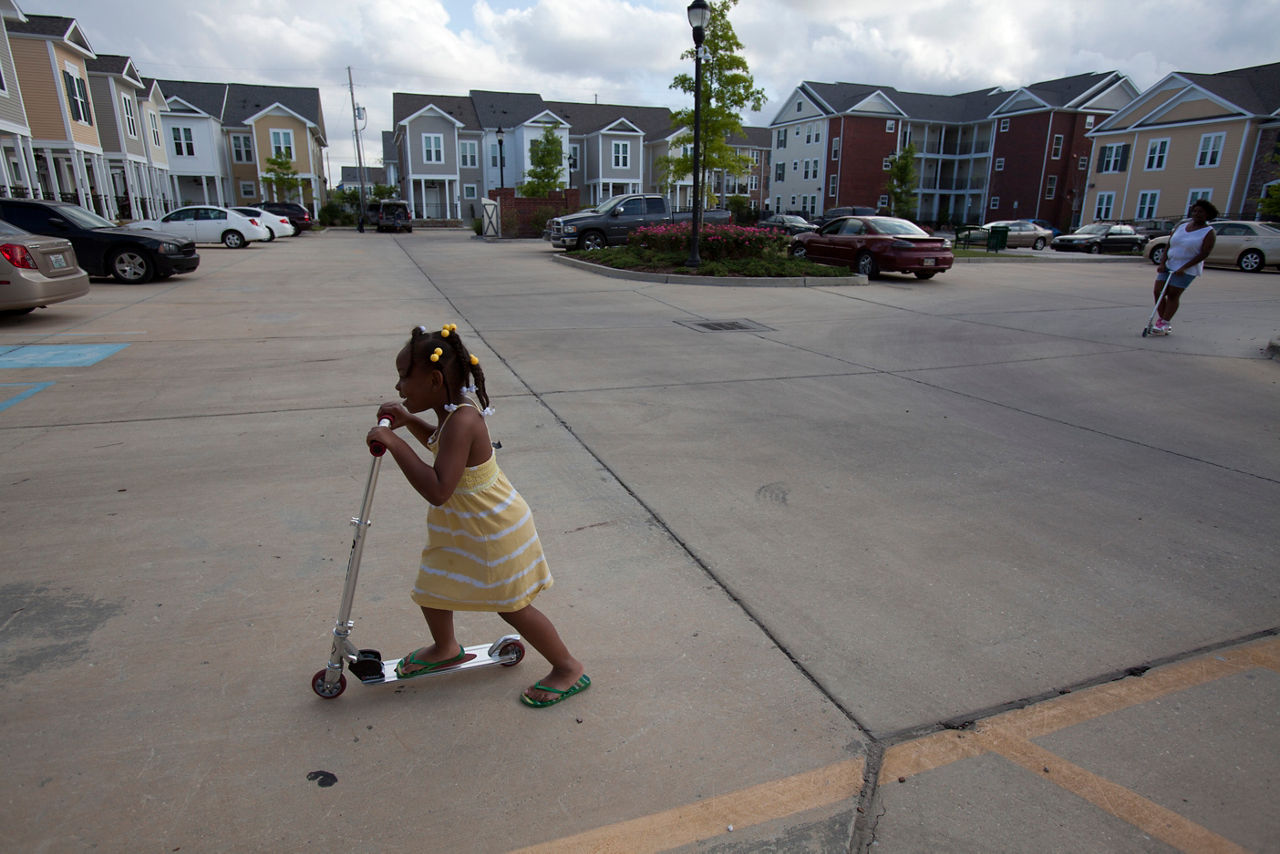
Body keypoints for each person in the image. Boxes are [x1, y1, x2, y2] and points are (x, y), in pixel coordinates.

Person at [366, 324, 589, 708]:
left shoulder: (464, 419)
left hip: (490, 528)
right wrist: (409, 421)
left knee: (512, 606)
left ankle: (568, 667)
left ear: (435, 379)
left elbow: (438, 489)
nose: (400, 387)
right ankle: (445, 647)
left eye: (405, 377)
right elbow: (443, 446)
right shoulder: (452, 410)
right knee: (433, 584)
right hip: (465, 524)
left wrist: (396, 443)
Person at [1151, 199, 1218, 335]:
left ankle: (1164, 322)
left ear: (1207, 214)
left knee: (1173, 295)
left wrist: (1184, 267)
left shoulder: (1208, 232)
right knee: (1158, 291)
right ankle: (1162, 319)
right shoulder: (1182, 226)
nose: (1197, 214)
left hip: (1187, 269)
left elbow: (1204, 253)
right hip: (1170, 264)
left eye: (1201, 212)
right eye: (1195, 211)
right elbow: (1169, 244)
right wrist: (1162, 263)